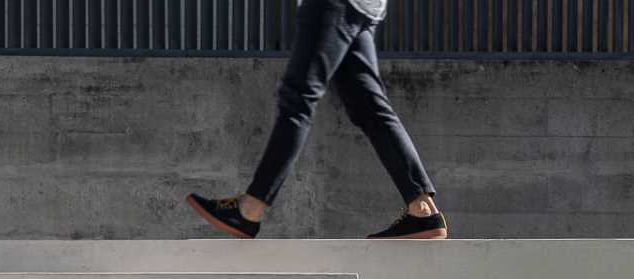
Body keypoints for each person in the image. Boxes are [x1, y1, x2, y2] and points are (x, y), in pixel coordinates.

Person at [186, 0, 447, 241]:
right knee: (371, 110)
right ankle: (422, 209)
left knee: (298, 98)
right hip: (364, 7)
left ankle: (250, 208)